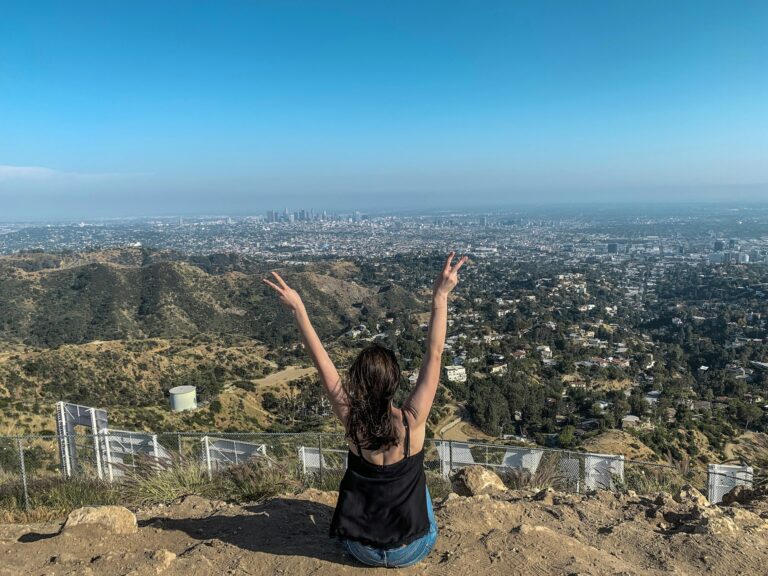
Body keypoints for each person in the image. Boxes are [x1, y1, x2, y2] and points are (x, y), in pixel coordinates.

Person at [263, 251, 468, 568]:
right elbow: (435, 353)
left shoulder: (352, 421)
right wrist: (440, 296)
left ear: (357, 382)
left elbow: (323, 365)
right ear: (395, 381)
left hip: (361, 550)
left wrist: (300, 310)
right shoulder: (412, 422)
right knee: (419, 484)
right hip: (410, 550)